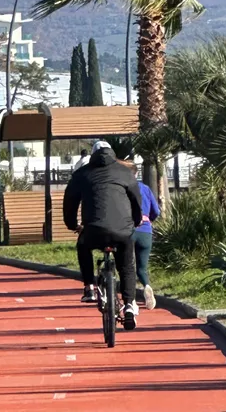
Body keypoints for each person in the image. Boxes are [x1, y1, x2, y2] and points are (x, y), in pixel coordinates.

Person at [63, 140, 143, 330]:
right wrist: (136, 221)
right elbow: (136, 201)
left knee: (83, 245)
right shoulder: (125, 173)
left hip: (94, 230)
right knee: (127, 265)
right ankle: (130, 304)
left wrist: (73, 225)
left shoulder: (82, 174)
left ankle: (89, 287)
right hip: (123, 230)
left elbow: (70, 202)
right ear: (112, 153)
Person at [121, 153, 161, 310]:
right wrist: (149, 220)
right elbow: (156, 210)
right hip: (145, 231)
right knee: (141, 268)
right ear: (136, 173)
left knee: (127, 266)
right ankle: (147, 285)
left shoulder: (122, 189)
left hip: (128, 230)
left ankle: (130, 300)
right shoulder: (145, 188)